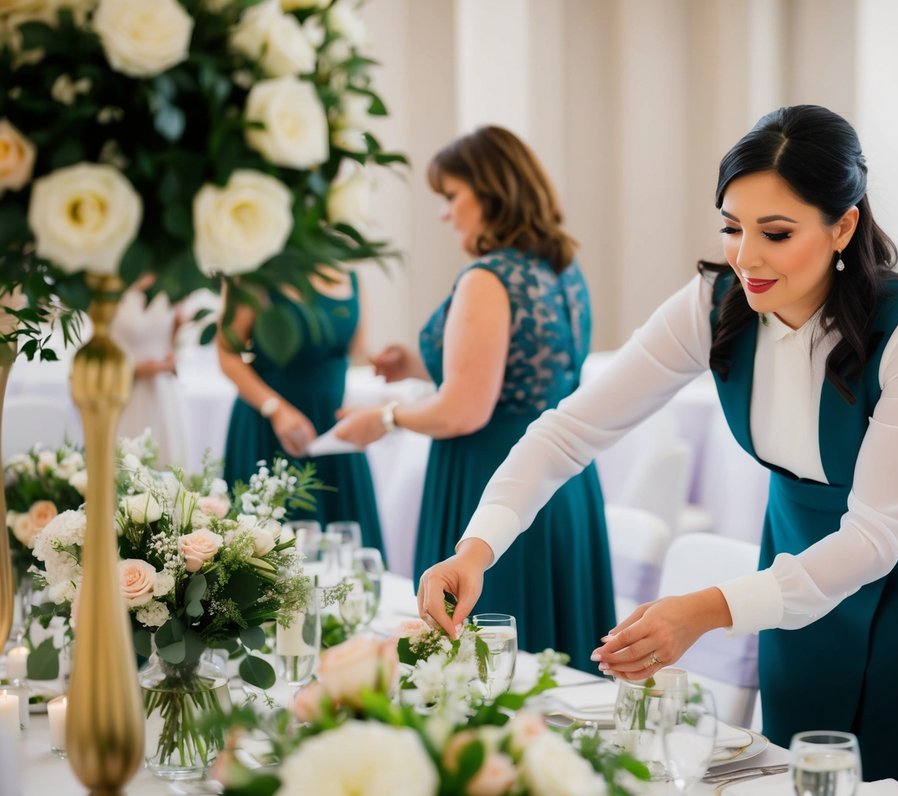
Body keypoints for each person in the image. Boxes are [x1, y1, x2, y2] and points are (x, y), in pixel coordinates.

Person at [412, 106, 898, 796]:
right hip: (797, 555)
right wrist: (475, 548)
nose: (746, 256)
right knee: (802, 779)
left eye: (776, 232)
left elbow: (876, 536)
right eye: (732, 227)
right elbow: (567, 430)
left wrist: (702, 610)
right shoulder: (713, 304)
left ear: (842, 225)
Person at [334, 125, 614, 670]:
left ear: (491, 192)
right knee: (549, 661)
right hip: (564, 478)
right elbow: (523, 365)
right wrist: (417, 364)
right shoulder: (559, 267)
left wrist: (385, 418)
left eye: (451, 196)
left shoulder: (489, 277)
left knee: (484, 658)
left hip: (495, 476)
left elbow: (464, 410)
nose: (445, 213)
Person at [218, 266, 384, 552]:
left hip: (332, 430)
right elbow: (227, 352)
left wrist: (382, 361)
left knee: (348, 548)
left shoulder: (350, 274)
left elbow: (351, 349)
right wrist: (276, 409)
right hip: (268, 429)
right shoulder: (253, 273)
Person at [111, 275, 189, 466]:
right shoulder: (115, 290)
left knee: (167, 459)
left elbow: (174, 325)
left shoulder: (169, 286)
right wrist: (136, 368)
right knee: (127, 459)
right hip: (126, 390)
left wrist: (169, 352)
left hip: (162, 390)